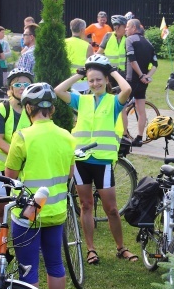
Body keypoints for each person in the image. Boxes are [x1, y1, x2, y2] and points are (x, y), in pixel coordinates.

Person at [4, 83, 75, 289]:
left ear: (28, 108)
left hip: (28, 214)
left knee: (28, 267)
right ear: (52, 109)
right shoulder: (67, 135)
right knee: (55, 263)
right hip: (56, 213)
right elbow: (69, 173)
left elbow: (10, 174)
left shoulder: (22, 136)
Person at [54, 54, 137, 265]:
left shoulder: (113, 101)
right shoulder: (81, 100)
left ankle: (121, 247)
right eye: (91, 80)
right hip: (82, 160)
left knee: (112, 209)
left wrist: (112, 71)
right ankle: (91, 249)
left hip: (103, 162)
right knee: (86, 205)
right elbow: (58, 91)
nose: (95, 83)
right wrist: (78, 75)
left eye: (99, 79)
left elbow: (126, 89)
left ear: (106, 80)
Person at [0, 68, 34, 223]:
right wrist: (18, 155)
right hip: (2, 166)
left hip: (25, 167)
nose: (22, 87)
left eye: (26, 84)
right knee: (0, 208)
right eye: (18, 84)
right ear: (10, 88)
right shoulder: (1, 109)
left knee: (27, 206)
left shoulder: (33, 110)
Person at [124, 18, 158, 147]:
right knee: (141, 110)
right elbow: (155, 64)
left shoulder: (130, 40)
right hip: (143, 82)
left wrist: (140, 75)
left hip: (132, 80)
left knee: (121, 107)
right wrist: (147, 76)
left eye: (127, 26)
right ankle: (139, 137)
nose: (126, 29)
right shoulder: (149, 43)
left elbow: (132, 60)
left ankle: (123, 136)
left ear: (134, 28)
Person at [65, 18, 93, 94]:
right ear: (82, 30)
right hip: (82, 84)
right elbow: (92, 67)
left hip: (66, 82)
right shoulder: (88, 46)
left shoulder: (63, 43)